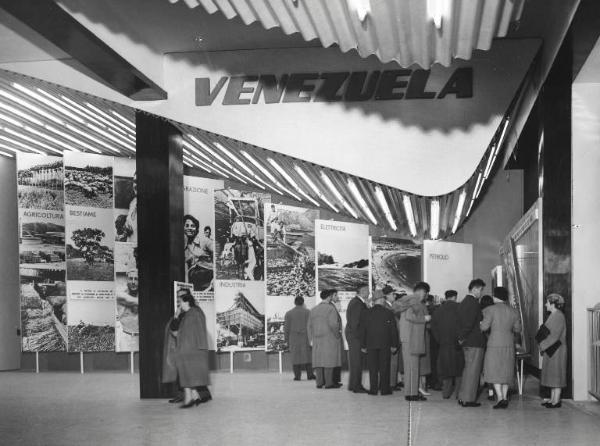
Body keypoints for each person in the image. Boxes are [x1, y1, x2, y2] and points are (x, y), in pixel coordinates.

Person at [480, 286, 522, 409]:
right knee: (506, 370)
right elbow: (517, 329)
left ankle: (500, 398)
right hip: (509, 344)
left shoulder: (489, 310)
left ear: (495, 296)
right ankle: (504, 397)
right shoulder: (513, 311)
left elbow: (484, 328)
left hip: (494, 344)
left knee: (494, 370)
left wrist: (480, 324)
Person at [170, 290, 211, 408]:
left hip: (189, 350)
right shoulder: (196, 312)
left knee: (187, 374)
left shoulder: (191, 314)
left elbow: (180, 333)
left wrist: (182, 349)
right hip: (195, 350)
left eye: (181, 302)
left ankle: (190, 399)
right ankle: (194, 396)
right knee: (191, 375)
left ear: (187, 302)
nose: (180, 305)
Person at [394, 282, 431, 401]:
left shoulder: (409, 300)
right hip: (411, 339)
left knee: (412, 366)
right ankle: (411, 394)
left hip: (409, 338)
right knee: (412, 367)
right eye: (425, 293)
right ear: (421, 291)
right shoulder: (413, 300)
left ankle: (412, 392)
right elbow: (410, 316)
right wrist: (424, 319)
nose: (425, 296)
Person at [360, 291, 399, 395]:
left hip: (370, 344)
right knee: (384, 367)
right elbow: (393, 330)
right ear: (381, 299)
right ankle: (385, 390)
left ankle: (373, 390)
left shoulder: (366, 313)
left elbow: (363, 330)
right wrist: (394, 345)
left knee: (372, 368)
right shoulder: (388, 313)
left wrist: (363, 345)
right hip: (385, 344)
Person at [457, 278, 487, 407]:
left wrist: (461, 338)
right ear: (474, 289)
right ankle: (468, 399)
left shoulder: (463, 302)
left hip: (466, 342)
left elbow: (461, 322)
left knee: (467, 370)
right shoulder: (474, 303)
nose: (481, 293)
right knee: (473, 372)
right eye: (480, 290)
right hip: (474, 341)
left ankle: (462, 396)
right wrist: (462, 336)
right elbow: (470, 324)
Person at [430, 290, 464, 399]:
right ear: (455, 297)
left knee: (445, 371)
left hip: (443, 344)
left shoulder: (438, 310)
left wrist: (439, 340)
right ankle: (457, 394)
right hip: (457, 344)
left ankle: (445, 393)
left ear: (446, 297)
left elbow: (433, 328)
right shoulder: (460, 308)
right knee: (459, 371)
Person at [307, 289, 343, 389]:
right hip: (329, 338)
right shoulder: (330, 309)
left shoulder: (313, 309)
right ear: (329, 297)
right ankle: (329, 383)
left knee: (318, 361)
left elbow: (309, 326)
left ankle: (319, 383)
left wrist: (311, 339)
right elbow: (333, 324)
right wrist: (337, 335)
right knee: (329, 361)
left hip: (317, 339)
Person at [539, 293, 567, 409]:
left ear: (552, 304)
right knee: (552, 374)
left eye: (547, 302)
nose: (545, 304)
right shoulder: (554, 315)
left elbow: (554, 335)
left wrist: (542, 345)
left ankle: (556, 400)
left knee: (556, 374)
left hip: (557, 349)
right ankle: (552, 398)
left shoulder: (558, 316)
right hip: (552, 349)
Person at [284, 296, 316, 381]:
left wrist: (286, 339)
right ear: (303, 303)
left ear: (295, 303)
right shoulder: (308, 312)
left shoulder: (289, 313)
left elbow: (286, 328)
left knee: (295, 357)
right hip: (306, 337)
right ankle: (310, 375)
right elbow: (312, 326)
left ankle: (297, 376)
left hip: (293, 338)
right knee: (308, 356)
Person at [345, 284, 369, 393]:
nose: (369, 293)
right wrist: (361, 340)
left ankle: (352, 385)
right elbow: (355, 324)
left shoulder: (357, 302)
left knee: (355, 361)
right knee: (357, 362)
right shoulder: (357, 304)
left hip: (354, 335)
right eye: (367, 291)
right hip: (355, 336)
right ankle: (356, 386)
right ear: (363, 291)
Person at [382, 286, 402, 390]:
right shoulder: (386, 307)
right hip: (390, 339)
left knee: (394, 361)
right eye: (393, 294)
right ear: (388, 295)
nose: (395, 296)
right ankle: (391, 383)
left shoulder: (391, 306)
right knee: (391, 362)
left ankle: (393, 381)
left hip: (395, 337)